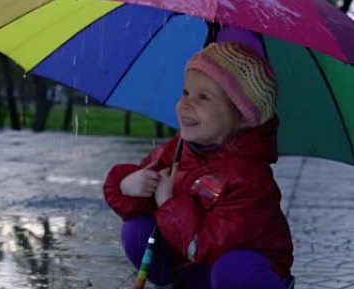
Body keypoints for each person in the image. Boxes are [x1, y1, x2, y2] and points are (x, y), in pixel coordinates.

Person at [103, 41, 293, 289]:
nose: (186, 103)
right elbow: (138, 197)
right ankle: (173, 282)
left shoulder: (251, 179)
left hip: (238, 271)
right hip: (190, 265)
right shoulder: (178, 149)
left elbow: (210, 244)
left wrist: (168, 203)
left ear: (242, 117)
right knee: (137, 230)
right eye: (185, 92)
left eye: (203, 97)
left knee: (233, 270)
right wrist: (127, 185)